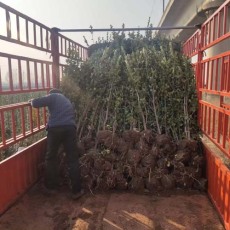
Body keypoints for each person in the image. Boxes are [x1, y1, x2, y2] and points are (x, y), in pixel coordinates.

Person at [30, 88, 83, 199]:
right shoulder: (67, 100)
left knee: (51, 158)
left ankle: (51, 188)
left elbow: (36, 103)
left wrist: (30, 102)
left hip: (55, 129)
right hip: (70, 128)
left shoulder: (53, 96)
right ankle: (77, 191)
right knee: (72, 159)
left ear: (52, 94)